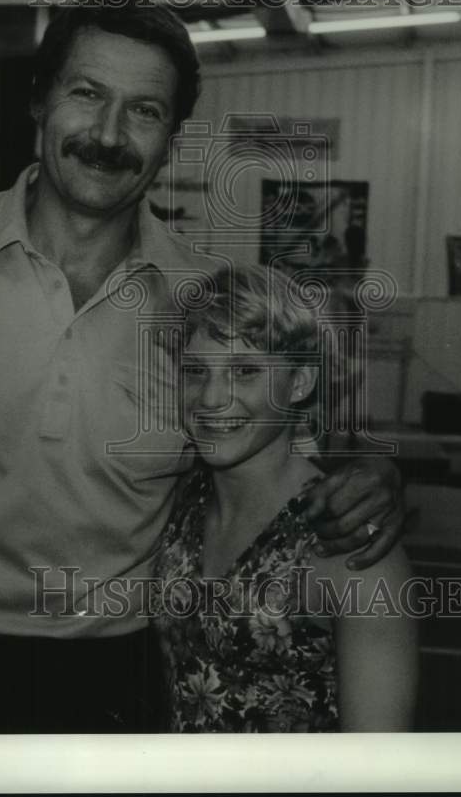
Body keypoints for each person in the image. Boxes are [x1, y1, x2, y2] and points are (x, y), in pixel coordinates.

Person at [0, 0, 406, 734]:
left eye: (144, 111)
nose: (107, 134)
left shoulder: (210, 307)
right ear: (38, 101)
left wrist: (372, 476)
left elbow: (288, 483)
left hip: (107, 678)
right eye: (86, 94)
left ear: (171, 140)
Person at [155, 264, 418, 732]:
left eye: (246, 370)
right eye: (196, 370)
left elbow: (379, 762)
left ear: (300, 383)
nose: (212, 397)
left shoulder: (350, 540)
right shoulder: (181, 499)